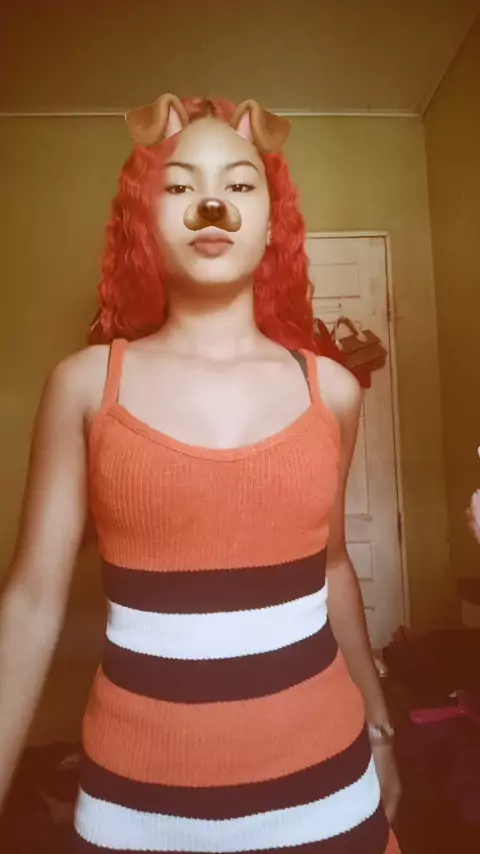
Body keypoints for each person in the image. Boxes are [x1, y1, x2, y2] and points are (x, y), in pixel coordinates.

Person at [0, 94, 401, 852]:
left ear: (271, 221)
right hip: (134, 811)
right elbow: (30, 602)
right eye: (180, 185)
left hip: (330, 798)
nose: (210, 203)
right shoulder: (85, 386)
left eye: (239, 184)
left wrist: (380, 729)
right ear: (145, 219)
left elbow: (332, 567)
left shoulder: (334, 391)